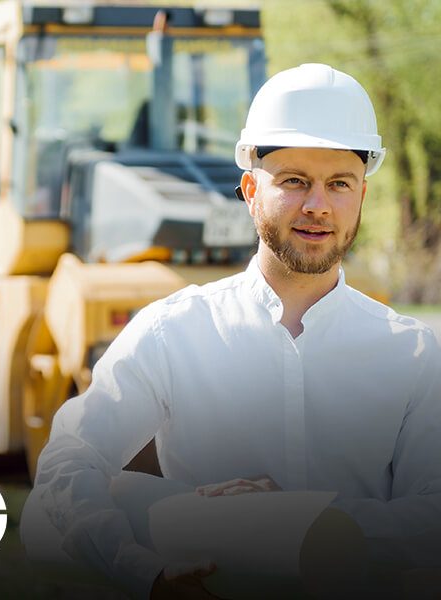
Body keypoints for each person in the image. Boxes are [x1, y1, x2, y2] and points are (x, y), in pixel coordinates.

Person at [22, 63, 441, 599]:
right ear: (249, 190)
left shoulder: (412, 354)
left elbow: (433, 515)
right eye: (293, 181)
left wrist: (284, 521)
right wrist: (140, 569)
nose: (317, 204)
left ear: (362, 195)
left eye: (339, 183)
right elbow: (68, 463)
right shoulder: (171, 334)